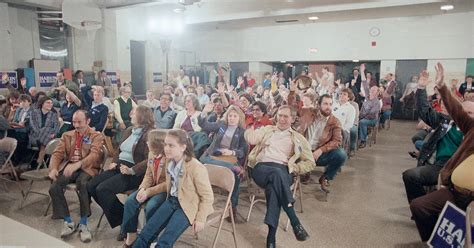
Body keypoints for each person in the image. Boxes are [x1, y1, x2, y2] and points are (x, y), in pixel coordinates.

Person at [410, 62, 474, 242]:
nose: (467, 114)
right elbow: (456, 110)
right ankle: (433, 238)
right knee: (418, 206)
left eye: (471, 112)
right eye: (466, 111)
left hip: (471, 198)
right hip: (453, 187)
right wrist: (441, 86)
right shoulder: (468, 128)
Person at [131, 129, 214, 248]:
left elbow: (207, 196)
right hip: (172, 201)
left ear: (183, 147)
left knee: (164, 241)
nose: (166, 148)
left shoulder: (196, 167)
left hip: (188, 206)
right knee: (146, 233)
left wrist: (201, 218)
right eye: (165, 144)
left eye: (171, 145)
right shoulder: (170, 162)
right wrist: (147, 191)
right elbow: (168, 185)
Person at [245, 105, 314, 247]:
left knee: (273, 189)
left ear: (293, 119)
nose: (281, 119)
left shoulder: (299, 138)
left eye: (286, 116)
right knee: (276, 175)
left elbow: (310, 162)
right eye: (280, 115)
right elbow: (252, 137)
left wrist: (295, 168)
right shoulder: (267, 130)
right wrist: (249, 132)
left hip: (283, 171)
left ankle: (271, 239)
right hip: (262, 168)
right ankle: (295, 222)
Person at [402, 69, 464, 203]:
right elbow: (424, 111)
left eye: (450, 106)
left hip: (456, 165)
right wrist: (421, 87)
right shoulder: (444, 120)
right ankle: (420, 205)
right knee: (410, 176)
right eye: (444, 106)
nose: (446, 109)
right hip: (437, 164)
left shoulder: (468, 128)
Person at [87, 106, 153, 233]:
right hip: (119, 166)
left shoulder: (149, 134)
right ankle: (126, 218)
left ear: (142, 116)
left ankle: (126, 224)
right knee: (91, 185)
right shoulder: (129, 130)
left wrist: (132, 170)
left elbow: (150, 159)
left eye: (134, 113)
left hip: (135, 172)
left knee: (103, 189)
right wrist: (114, 161)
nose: (131, 114)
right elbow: (119, 149)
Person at [48, 110, 104, 242]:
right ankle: (68, 221)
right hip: (69, 167)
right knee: (54, 187)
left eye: (80, 122)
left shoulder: (96, 136)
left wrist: (78, 164)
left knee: (82, 184)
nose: (76, 125)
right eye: (74, 122)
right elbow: (57, 154)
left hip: (88, 168)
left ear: (88, 121)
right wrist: (54, 168)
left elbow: (94, 155)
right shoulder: (67, 135)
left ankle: (83, 223)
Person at [199, 104, 248, 219]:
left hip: (229, 158)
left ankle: (233, 206)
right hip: (213, 156)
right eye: (230, 116)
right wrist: (204, 113)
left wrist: (232, 152)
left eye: (235, 116)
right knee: (202, 162)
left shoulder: (242, 132)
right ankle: (232, 168)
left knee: (235, 177)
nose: (231, 118)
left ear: (239, 118)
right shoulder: (221, 125)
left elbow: (243, 151)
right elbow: (204, 125)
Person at [120, 129, 168, 246]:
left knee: (151, 206)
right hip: (150, 187)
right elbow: (148, 174)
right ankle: (131, 235)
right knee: (131, 201)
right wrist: (142, 188)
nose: (146, 143)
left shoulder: (169, 158)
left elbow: (168, 183)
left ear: (157, 144)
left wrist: (148, 192)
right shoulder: (152, 154)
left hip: (163, 189)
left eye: (149, 142)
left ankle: (151, 238)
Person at [28, 96, 60, 166]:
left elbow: (57, 127)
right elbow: (34, 127)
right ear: (42, 104)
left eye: (51, 103)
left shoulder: (53, 115)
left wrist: (54, 134)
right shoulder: (33, 113)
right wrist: (45, 130)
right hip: (35, 136)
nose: (50, 104)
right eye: (48, 103)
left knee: (47, 130)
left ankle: (39, 162)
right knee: (46, 129)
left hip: (49, 137)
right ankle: (40, 162)